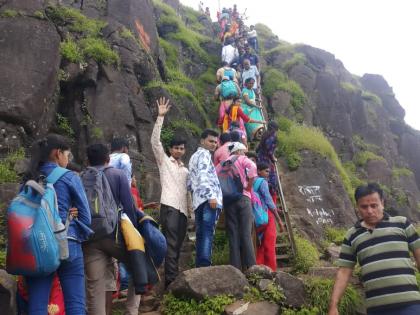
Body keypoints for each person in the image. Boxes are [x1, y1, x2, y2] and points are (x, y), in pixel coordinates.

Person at [23, 134, 91, 315]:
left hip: (37, 246)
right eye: (67, 155)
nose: (68, 159)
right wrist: (75, 226)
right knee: (75, 303)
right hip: (67, 243)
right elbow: (86, 217)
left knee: (37, 305)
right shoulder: (69, 176)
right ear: (57, 153)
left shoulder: (29, 178)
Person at [328, 183, 420, 315]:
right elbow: (344, 272)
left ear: (382, 202)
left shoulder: (402, 224)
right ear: (357, 207)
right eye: (364, 207)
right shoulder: (352, 235)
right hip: (376, 309)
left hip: (410, 305)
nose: (370, 211)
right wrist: (333, 305)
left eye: (374, 205)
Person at [83, 143, 139, 315]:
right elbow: (129, 207)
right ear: (108, 159)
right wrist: (136, 231)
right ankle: (131, 311)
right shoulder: (118, 174)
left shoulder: (81, 177)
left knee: (94, 288)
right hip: (113, 235)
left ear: (88, 160)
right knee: (139, 266)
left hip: (90, 238)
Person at [151, 97, 190, 287]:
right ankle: (171, 281)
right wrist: (160, 117)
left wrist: (190, 212)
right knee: (172, 244)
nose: (179, 151)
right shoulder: (164, 162)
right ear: (170, 149)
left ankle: (172, 277)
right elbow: (154, 143)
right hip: (169, 207)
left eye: (182, 148)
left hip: (182, 210)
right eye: (176, 148)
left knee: (178, 244)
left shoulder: (186, 171)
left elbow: (188, 193)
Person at [188, 129, 223, 267]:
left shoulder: (193, 156)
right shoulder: (204, 154)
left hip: (198, 201)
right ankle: (205, 266)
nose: (214, 144)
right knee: (207, 233)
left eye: (215, 142)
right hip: (209, 200)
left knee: (201, 234)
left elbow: (190, 183)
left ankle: (200, 266)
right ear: (202, 141)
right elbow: (203, 176)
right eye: (211, 141)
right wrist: (211, 196)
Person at [221, 142, 257, 271]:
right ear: (239, 151)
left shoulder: (224, 163)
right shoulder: (241, 158)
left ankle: (235, 269)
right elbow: (252, 167)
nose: (245, 154)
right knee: (246, 233)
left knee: (233, 234)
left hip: (229, 201)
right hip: (243, 198)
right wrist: (249, 185)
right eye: (244, 151)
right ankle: (252, 267)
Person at [254, 162, 284, 271]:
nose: (268, 174)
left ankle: (258, 268)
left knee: (260, 245)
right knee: (269, 245)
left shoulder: (252, 181)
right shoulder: (263, 182)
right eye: (266, 171)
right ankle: (271, 269)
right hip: (265, 216)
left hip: (255, 216)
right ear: (259, 171)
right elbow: (269, 201)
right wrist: (279, 220)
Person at [256, 121, 279, 201]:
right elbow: (270, 152)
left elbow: (259, 146)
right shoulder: (273, 137)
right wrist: (273, 158)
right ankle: (271, 197)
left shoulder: (265, 134)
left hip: (260, 157)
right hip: (266, 160)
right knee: (271, 177)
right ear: (275, 129)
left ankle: (262, 194)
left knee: (261, 176)